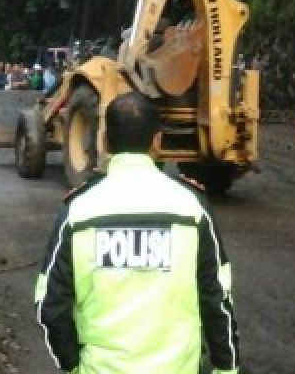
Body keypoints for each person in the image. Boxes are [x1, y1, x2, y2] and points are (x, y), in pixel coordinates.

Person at [35, 91, 240, 374]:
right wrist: (226, 369)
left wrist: (74, 367)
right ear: (157, 141)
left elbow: (50, 305)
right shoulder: (191, 206)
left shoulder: (79, 211)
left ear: (105, 142)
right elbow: (217, 298)